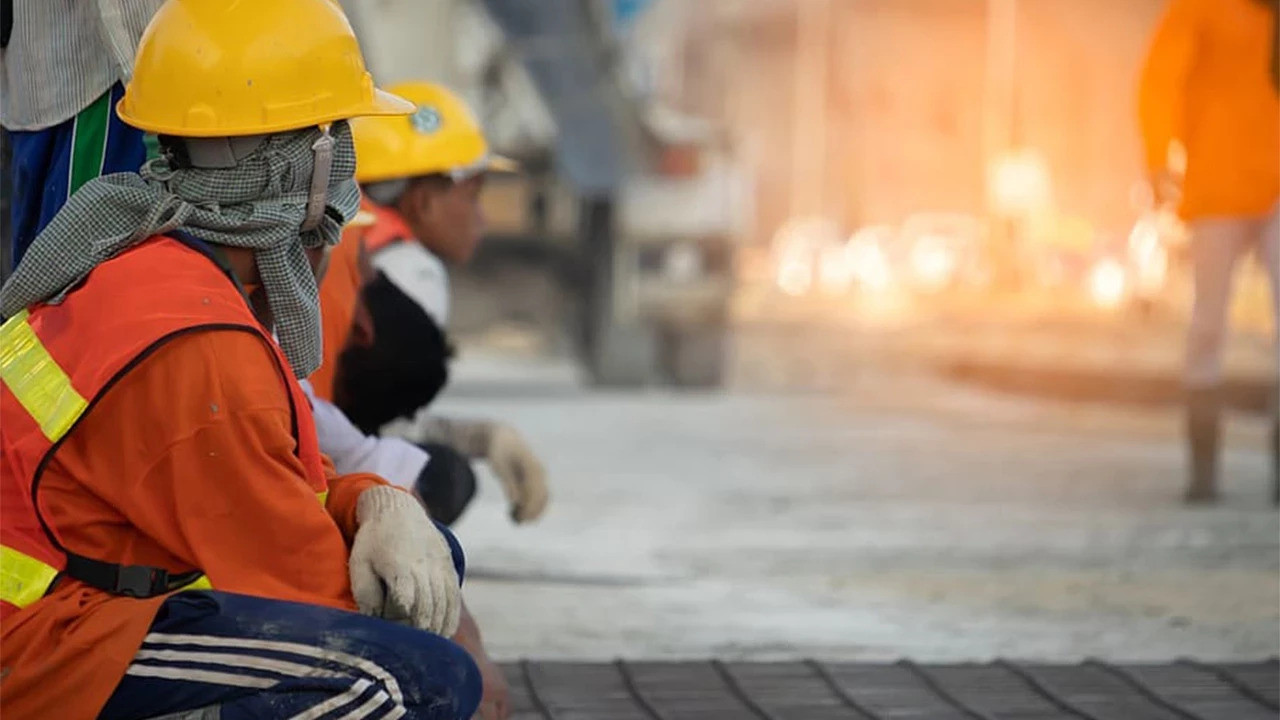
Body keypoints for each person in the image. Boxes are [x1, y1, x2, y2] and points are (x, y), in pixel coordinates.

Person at [0, 1, 482, 718]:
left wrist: (380, 501)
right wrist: (413, 541)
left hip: (79, 605)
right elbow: (310, 585)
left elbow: (298, 482)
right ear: (303, 169)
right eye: (338, 138)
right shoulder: (198, 341)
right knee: (413, 680)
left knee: (425, 574)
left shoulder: (169, 268)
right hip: (46, 644)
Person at [314, 81, 550, 526]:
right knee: (445, 475)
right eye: (473, 195)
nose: (481, 216)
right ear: (421, 201)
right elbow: (381, 430)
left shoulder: (336, 233)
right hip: (321, 466)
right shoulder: (413, 272)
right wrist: (474, 441)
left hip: (307, 438)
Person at [1138, 0, 1280, 504]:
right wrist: (1159, 158)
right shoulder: (1200, 7)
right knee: (1208, 327)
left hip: (1277, 189)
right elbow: (1159, 79)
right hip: (1216, 186)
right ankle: (1203, 473)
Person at [0, 0, 162, 272]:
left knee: (46, 280)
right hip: (102, 74)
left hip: (47, 75)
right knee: (78, 278)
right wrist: (149, 86)